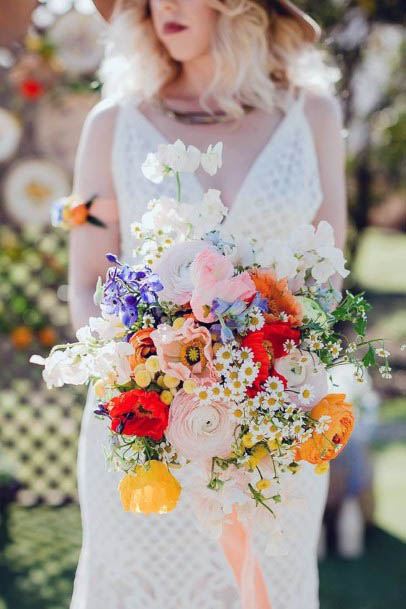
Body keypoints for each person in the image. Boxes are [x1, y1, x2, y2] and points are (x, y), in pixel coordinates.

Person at [68, 1, 347, 608]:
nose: (159, 2)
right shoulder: (113, 123)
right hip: (146, 434)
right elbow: (88, 278)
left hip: (278, 431)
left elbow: (329, 278)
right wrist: (152, 376)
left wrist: (267, 382)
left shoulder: (313, 116)